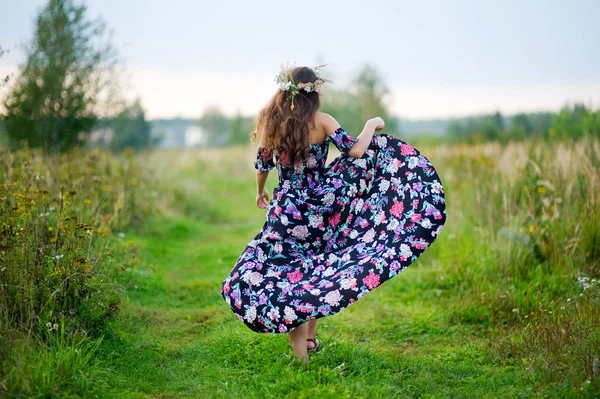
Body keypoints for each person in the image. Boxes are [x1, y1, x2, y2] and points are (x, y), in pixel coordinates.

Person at [221, 63, 446, 364]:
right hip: (321, 208)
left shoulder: (268, 122)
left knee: (289, 276)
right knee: (319, 268)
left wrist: (260, 191)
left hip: (287, 211)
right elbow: (354, 151)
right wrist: (370, 125)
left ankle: (303, 352)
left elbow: (263, 165)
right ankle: (310, 338)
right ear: (314, 93)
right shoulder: (322, 121)